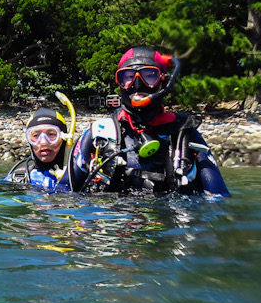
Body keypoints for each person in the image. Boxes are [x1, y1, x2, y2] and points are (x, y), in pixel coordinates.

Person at [68, 46, 229, 197]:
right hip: (113, 222)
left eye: (149, 76)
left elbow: (218, 198)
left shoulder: (184, 133)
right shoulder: (99, 132)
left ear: (163, 82)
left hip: (169, 223)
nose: (137, 85)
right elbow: (64, 191)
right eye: (129, 77)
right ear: (119, 82)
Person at [4, 107, 74, 191]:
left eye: (51, 134)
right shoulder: (18, 179)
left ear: (63, 138)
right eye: (36, 135)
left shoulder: (79, 176)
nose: (44, 142)